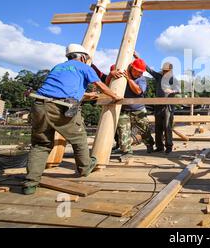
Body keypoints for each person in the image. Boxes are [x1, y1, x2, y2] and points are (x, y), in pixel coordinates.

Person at [23, 44, 123, 195]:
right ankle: (85, 167)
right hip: (63, 106)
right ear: (82, 57)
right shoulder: (84, 67)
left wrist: (88, 95)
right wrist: (115, 96)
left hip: (39, 103)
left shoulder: (58, 67)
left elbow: (61, 89)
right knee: (79, 138)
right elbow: (101, 85)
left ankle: (30, 183)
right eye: (87, 59)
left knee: (41, 144)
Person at [92, 58, 155, 159]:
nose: (140, 74)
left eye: (141, 72)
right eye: (138, 72)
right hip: (123, 109)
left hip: (138, 109)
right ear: (132, 68)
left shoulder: (141, 79)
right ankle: (127, 152)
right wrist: (110, 75)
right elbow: (107, 86)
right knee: (123, 131)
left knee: (145, 129)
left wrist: (129, 79)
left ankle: (150, 144)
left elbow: (138, 91)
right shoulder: (120, 75)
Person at [146, 62, 181, 154]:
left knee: (167, 126)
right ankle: (159, 146)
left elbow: (179, 90)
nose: (165, 72)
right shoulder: (159, 77)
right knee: (158, 127)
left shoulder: (173, 80)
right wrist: (138, 58)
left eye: (167, 71)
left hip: (168, 106)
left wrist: (172, 91)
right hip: (158, 106)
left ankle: (169, 146)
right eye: (164, 71)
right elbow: (149, 70)